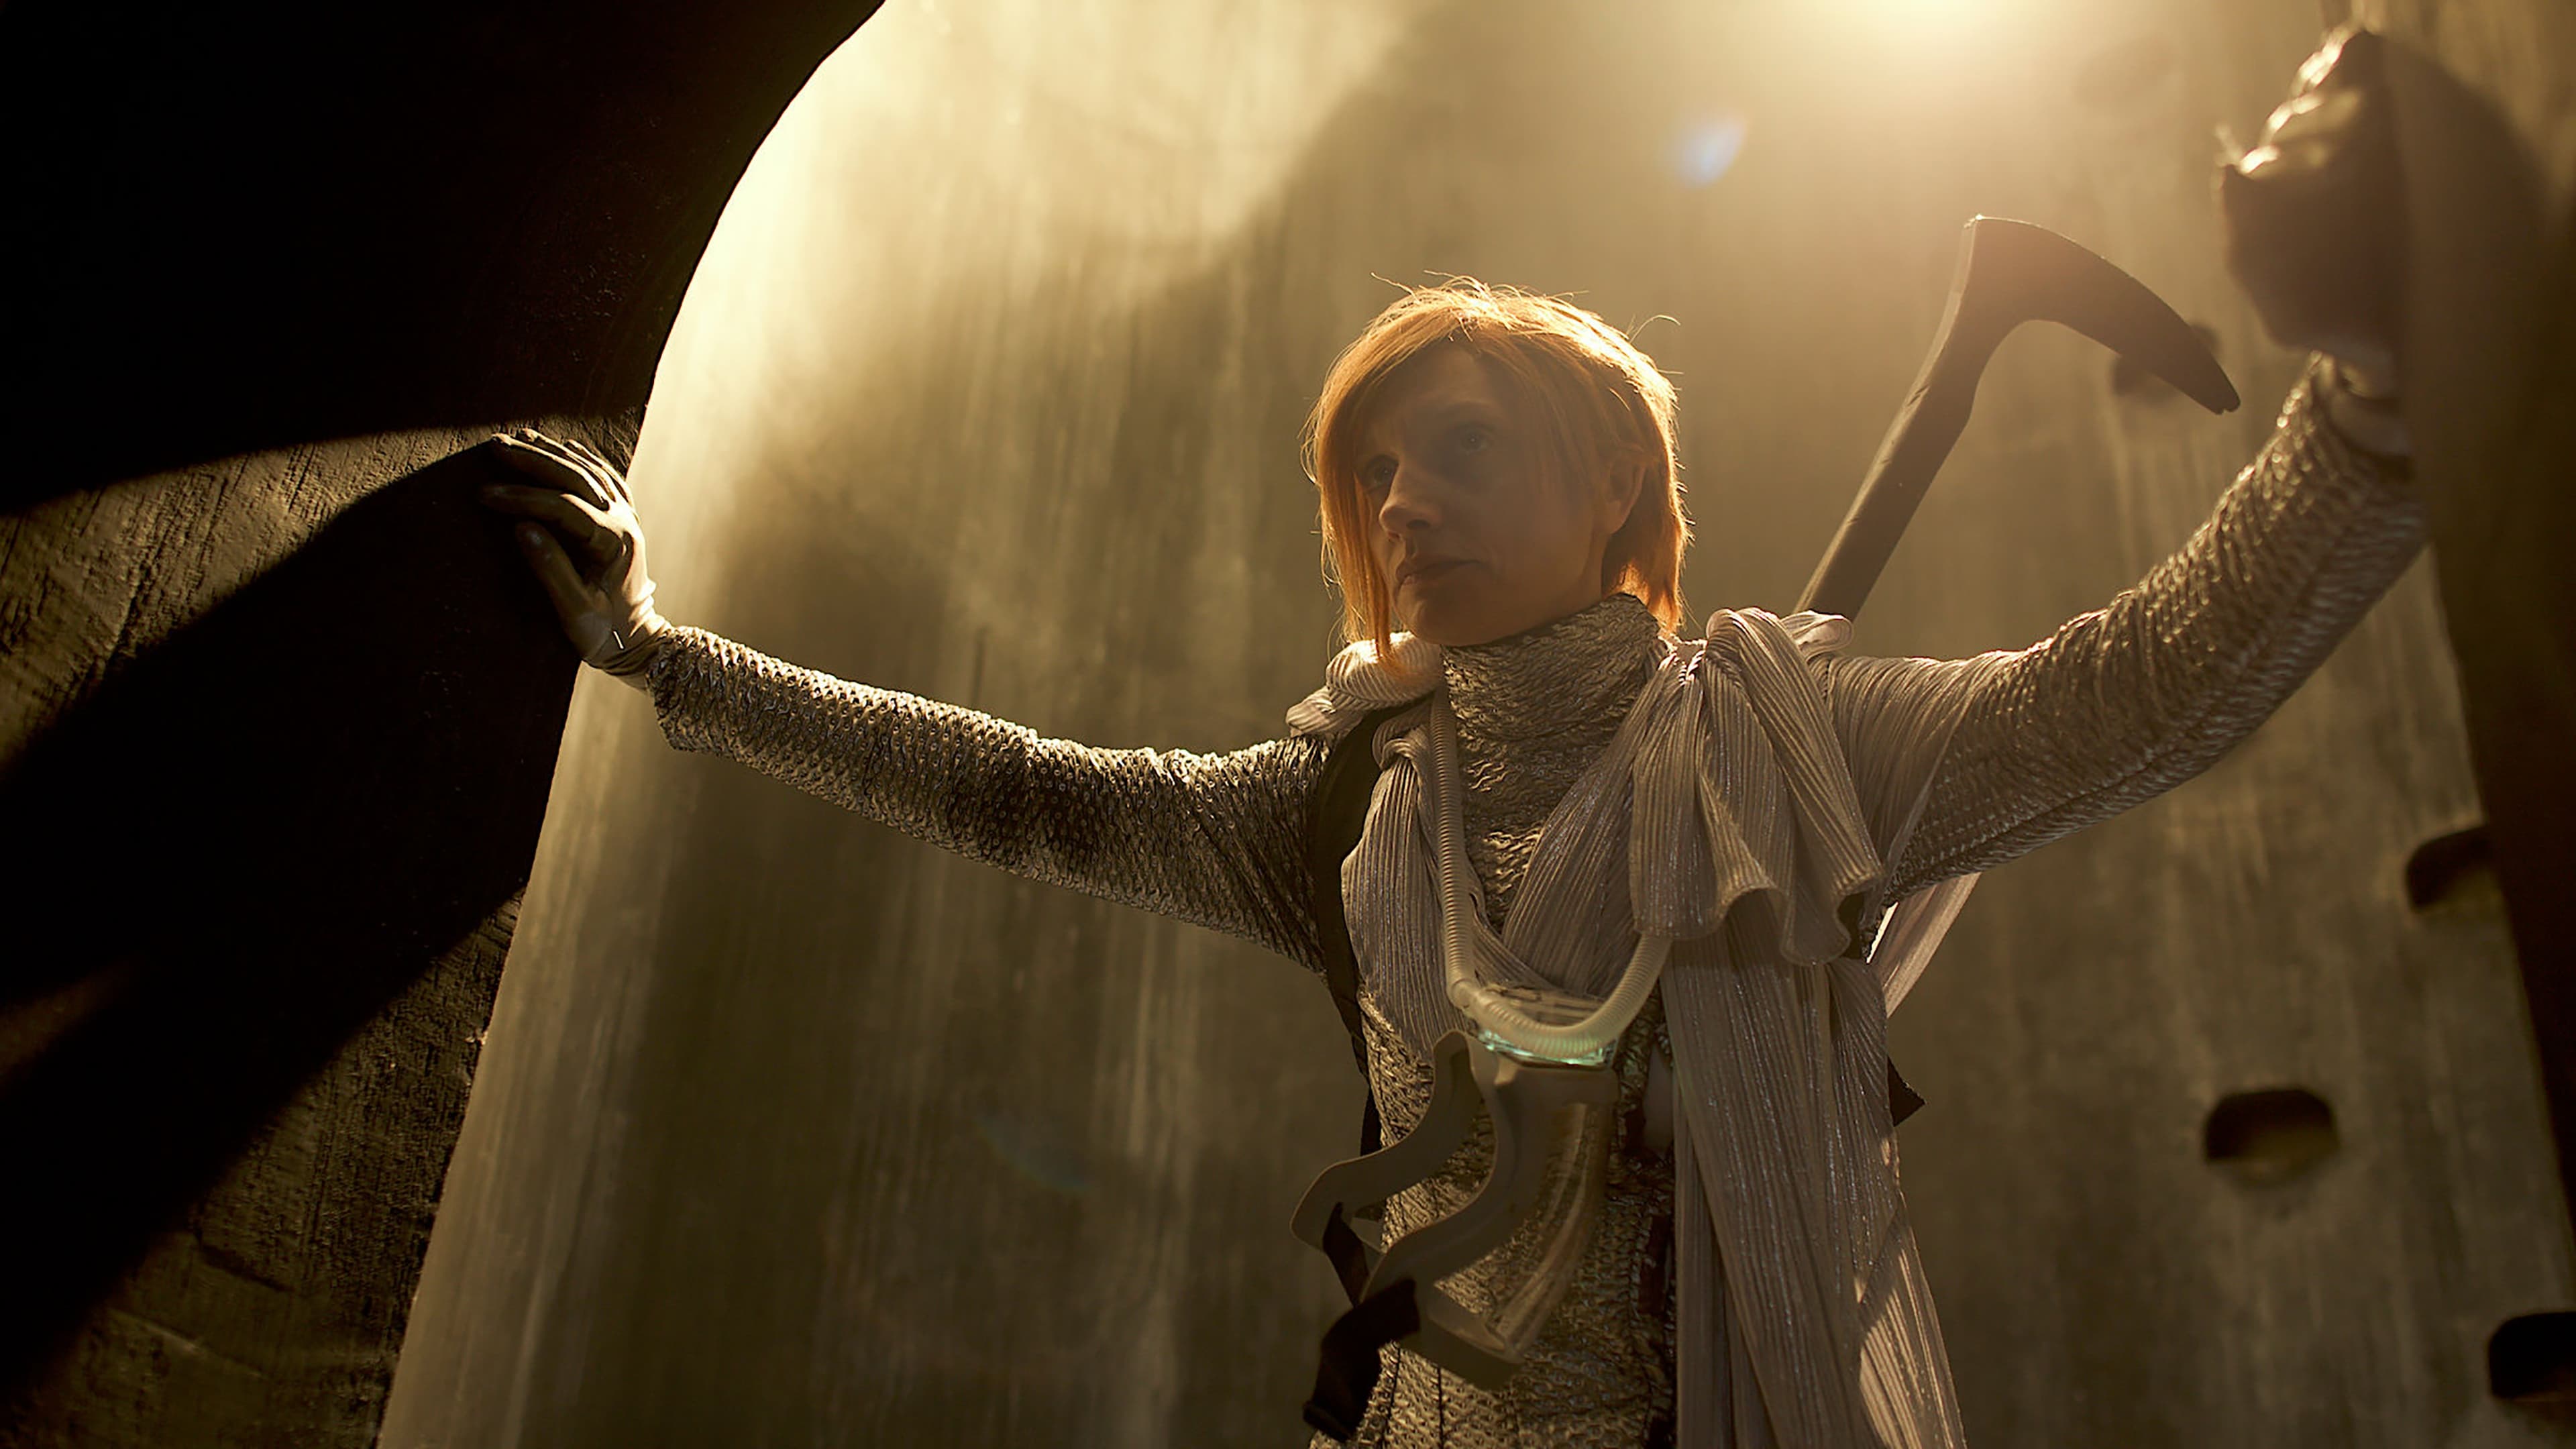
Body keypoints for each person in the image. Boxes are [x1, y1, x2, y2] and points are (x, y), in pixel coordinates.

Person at [481, 33, 2416, 1449]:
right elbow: (1025, 799)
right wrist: (664, 660)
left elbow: (2149, 687)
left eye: (1463, 450)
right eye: (1380, 476)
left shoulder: (1789, 749)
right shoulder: (1345, 807)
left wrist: (2375, 397)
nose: (1405, 504)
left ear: (1614, 485)